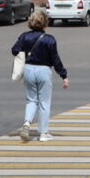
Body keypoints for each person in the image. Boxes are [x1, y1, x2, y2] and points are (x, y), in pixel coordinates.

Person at [12, 10, 69, 142]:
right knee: (44, 102)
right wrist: (64, 76)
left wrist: (25, 52)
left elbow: (14, 50)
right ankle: (43, 134)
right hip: (44, 70)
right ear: (45, 23)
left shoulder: (24, 36)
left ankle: (27, 123)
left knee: (31, 100)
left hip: (28, 70)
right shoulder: (50, 40)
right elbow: (55, 60)